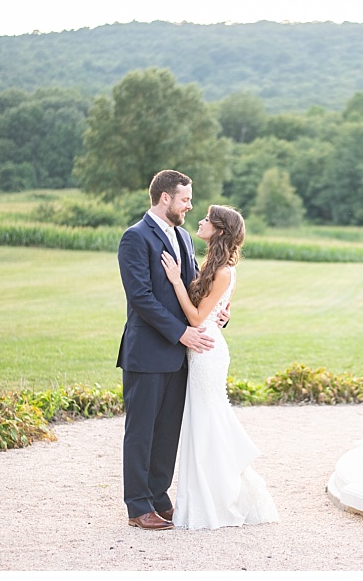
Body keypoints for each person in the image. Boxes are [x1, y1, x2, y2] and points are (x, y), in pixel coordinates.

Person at [157, 204, 280, 530]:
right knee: (203, 423)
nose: (200, 220)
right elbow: (213, 310)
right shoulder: (215, 265)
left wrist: (175, 281)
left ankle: (216, 501)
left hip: (206, 351)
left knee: (207, 423)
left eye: (207, 220)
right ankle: (205, 498)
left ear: (220, 231)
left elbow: (198, 318)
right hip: (202, 348)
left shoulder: (224, 270)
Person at [116, 169, 224, 531]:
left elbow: (191, 289)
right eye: (185, 199)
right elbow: (142, 298)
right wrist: (182, 334)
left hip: (179, 355)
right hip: (146, 352)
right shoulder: (134, 238)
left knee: (167, 433)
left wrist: (215, 313)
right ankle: (137, 506)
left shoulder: (182, 237)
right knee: (142, 430)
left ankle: (159, 498)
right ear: (166, 198)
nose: (190, 206)